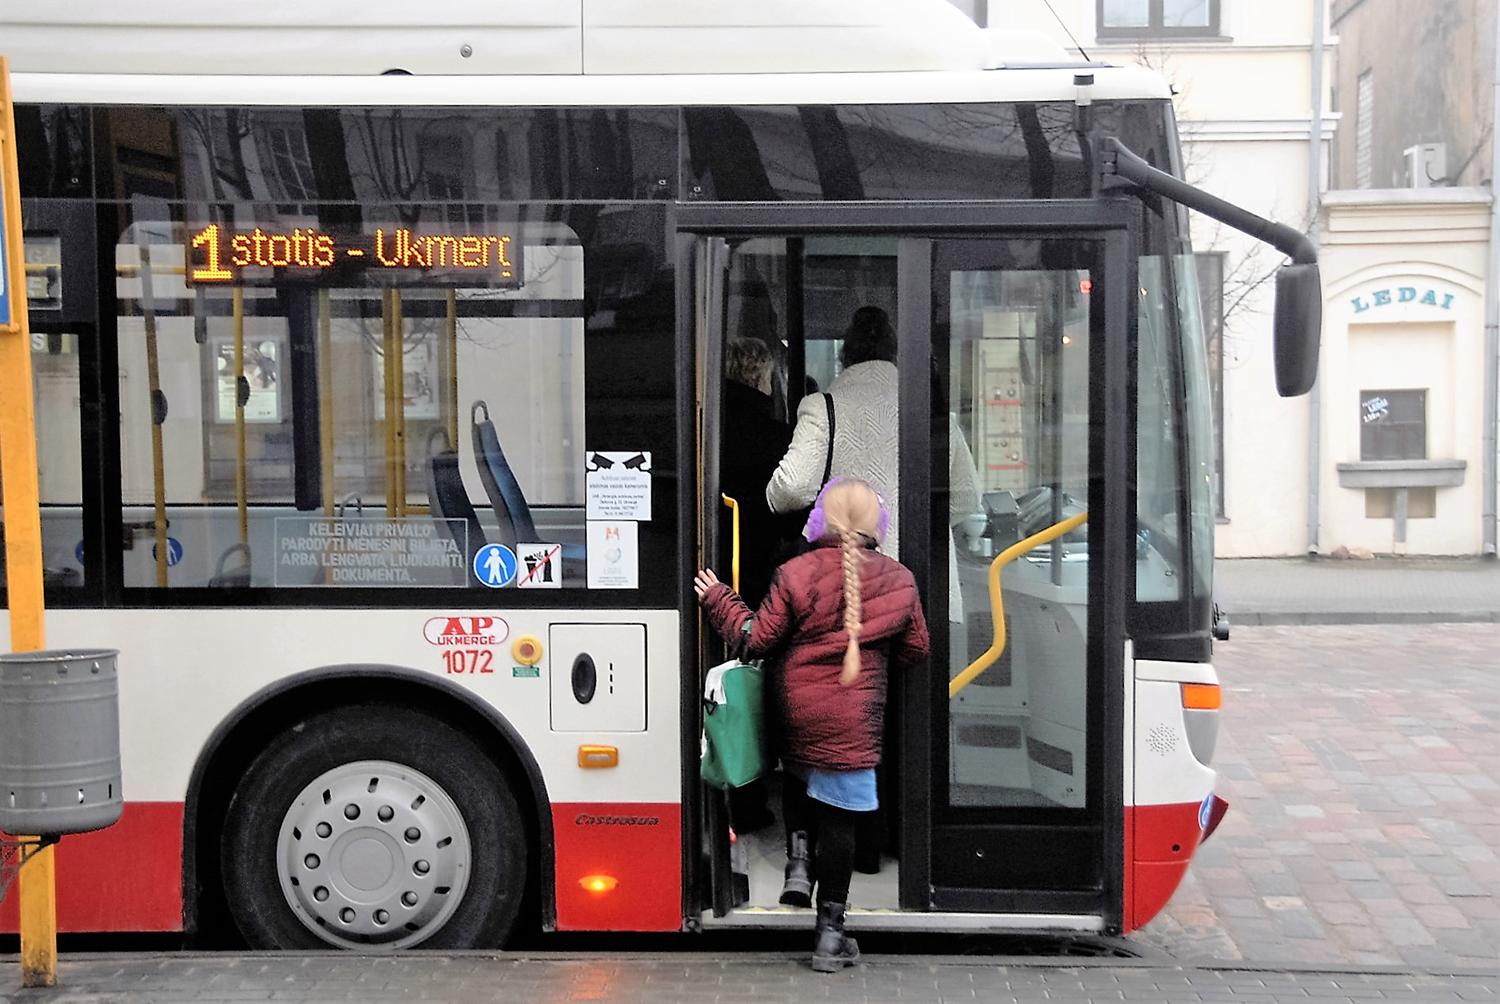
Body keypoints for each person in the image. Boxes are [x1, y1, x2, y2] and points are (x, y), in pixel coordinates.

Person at [695, 479, 930, 973]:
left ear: (821, 518)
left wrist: (718, 598)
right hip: (854, 720)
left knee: (802, 777)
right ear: (877, 525)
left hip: (796, 711)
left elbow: (756, 638)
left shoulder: (794, 572)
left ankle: (798, 865)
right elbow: (916, 649)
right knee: (840, 820)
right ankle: (830, 934)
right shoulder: (901, 580)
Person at [767, 306, 901, 554]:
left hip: (848, 567)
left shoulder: (823, 408)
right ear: (894, 355)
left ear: (845, 357)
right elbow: (964, 496)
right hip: (926, 565)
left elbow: (791, 488)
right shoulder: (925, 409)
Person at [720, 337, 797, 606]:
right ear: (759, 377)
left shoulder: (710, 426)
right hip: (760, 559)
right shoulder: (775, 436)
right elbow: (792, 507)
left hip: (717, 554)